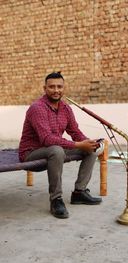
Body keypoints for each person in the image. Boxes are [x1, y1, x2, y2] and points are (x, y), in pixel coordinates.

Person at [19, 72, 103, 219]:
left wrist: (88, 142)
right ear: (45, 88)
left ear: (64, 88)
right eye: (52, 87)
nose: (56, 90)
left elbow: (75, 131)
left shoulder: (66, 108)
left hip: (52, 148)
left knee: (92, 149)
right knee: (57, 151)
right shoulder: (37, 108)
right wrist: (78, 144)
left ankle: (79, 193)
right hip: (31, 152)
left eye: (59, 86)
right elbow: (46, 139)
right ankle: (56, 199)